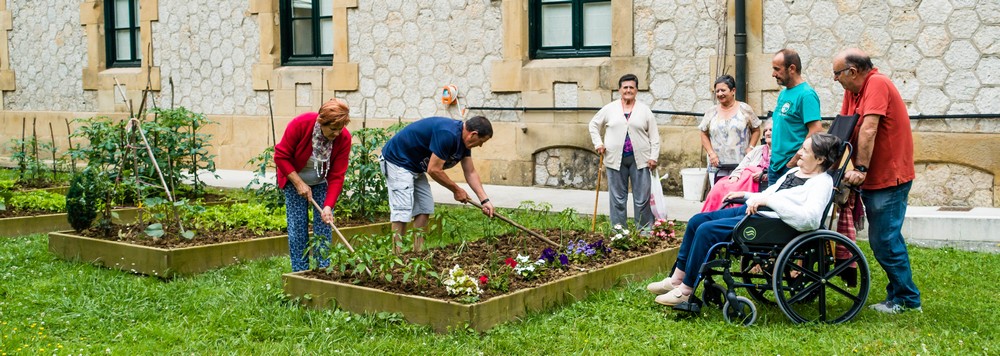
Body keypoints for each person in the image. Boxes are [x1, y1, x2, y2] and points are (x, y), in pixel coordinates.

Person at [647, 134, 843, 306]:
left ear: (819, 159)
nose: (799, 153)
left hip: (773, 224)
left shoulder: (821, 184)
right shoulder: (794, 172)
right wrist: (746, 195)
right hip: (758, 213)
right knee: (697, 220)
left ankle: (686, 291)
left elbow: (809, 220)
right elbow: (769, 193)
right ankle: (676, 278)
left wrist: (770, 202)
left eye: (805, 150)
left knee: (706, 231)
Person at [834, 48, 921, 314]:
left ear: (852, 71)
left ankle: (908, 300)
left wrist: (859, 167)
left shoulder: (877, 84)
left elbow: (869, 128)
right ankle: (896, 294)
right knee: (887, 238)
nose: (835, 79)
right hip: (874, 178)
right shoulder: (853, 91)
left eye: (836, 74)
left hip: (888, 178)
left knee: (884, 240)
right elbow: (845, 127)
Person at [380, 116, 495, 252]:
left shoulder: (464, 143)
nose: (480, 145)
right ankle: (396, 256)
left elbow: (470, 172)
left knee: (424, 207)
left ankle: (419, 253)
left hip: (415, 166)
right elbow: (434, 170)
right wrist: (456, 190)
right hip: (397, 160)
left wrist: (484, 200)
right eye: (481, 141)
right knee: (402, 210)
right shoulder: (448, 134)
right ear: (473, 134)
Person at [274, 98, 352, 272]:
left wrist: (328, 206)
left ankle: (324, 271)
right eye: (333, 129)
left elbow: (337, 175)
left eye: (340, 129)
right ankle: (300, 271)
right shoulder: (301, 124)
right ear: (321, 121)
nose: (337, 134)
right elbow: (280, 156)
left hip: (321, 182)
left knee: (324, 225)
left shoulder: (343, 138)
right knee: (298, 227)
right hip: (295, 180)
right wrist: (299, 183)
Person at [588, 73, 661, 231]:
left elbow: (654, 136)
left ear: (636, 90)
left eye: (631, 87)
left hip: (640, 160)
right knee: (617, 199)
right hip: (615, 159)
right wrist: (598, 143)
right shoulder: (610, 108)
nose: (628, 90)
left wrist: (654, 157)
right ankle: (619, 231)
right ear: (620, 89)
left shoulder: (644, 110)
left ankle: (644, 231)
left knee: (642, 198)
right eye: (625, 87)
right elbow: (593, 125)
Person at [768, 49, 824, 187]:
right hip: (775, 166)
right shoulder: (784, 94)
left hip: (791, 167)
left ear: (791, 68)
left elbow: (816, 131)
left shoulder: (807, 95)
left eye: (777, 69)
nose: (773, 74)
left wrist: (793, 161)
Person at [698, 75, 761, 186]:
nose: (719, 94)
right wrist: (711, 153)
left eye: (723, 90)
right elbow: (703, 133)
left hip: (741, 163)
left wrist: (751, 147)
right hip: (717, 165)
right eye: (717, 91)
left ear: (733, 91)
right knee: (719, 195)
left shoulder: (744, 109)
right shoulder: (711, 112)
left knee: (738, 194)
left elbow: (756, 129)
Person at [699, 120, 772, 212]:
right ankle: (711, 213)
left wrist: (766, 175)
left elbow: (782, 173)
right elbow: (742, 165)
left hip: (758, 184)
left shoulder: (782, 153)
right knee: (720, 186)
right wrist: (735, 176)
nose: (768, 133)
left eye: (771, 130)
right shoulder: (758, 150)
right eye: (765, 131)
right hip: (743, 180)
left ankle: (728, 212)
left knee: (730, 189)